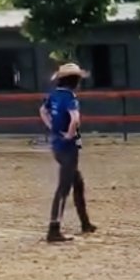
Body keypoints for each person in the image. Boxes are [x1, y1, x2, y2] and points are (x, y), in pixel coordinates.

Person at [39, 62, 96, 243]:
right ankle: (54, 229)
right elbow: (75, 120)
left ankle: (85, 222)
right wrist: (70, 135)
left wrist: (53, 128)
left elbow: (43, 111)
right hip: (68, 147)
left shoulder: (53, 94)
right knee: (64, 187)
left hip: (57, 145)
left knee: (77, 182)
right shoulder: (70, 97)